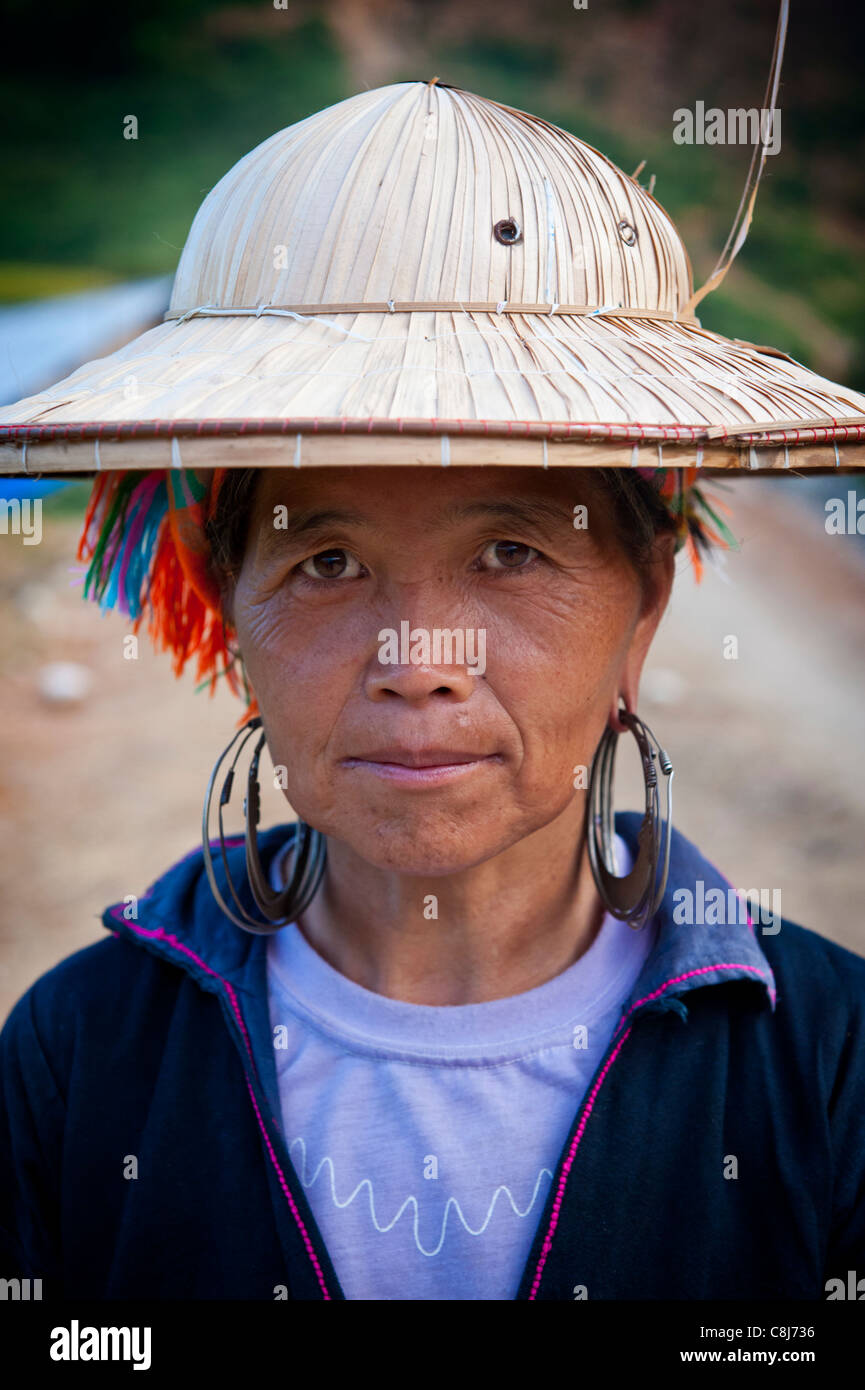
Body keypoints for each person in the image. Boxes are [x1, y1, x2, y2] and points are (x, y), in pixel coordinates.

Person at [1, 79, 864, 1302]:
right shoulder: (75, 1053)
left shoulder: (830, 1058)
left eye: (510, 553)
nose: (416, 662)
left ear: (644, 607)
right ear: (230, 610)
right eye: (328, 562)